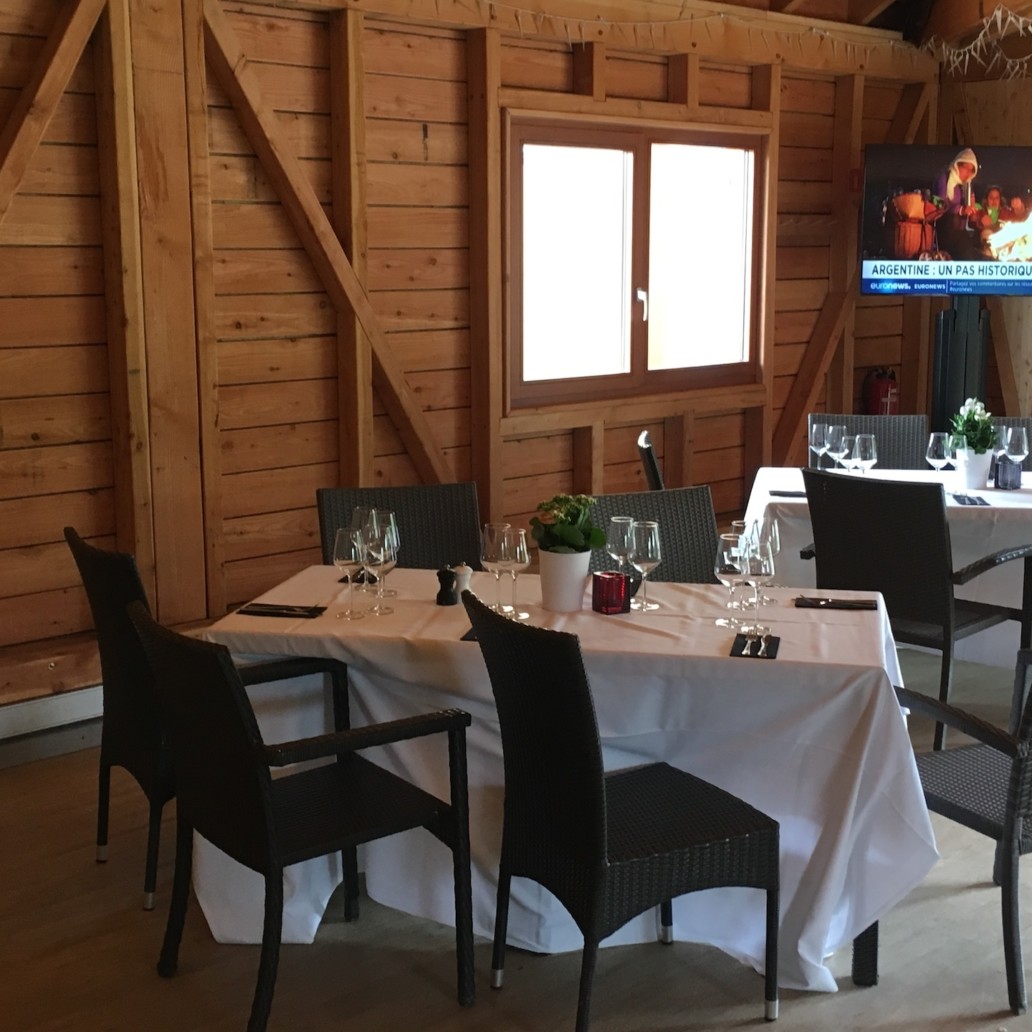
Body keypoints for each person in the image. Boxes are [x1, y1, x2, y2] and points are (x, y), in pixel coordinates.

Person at [932, 148, 982, 259]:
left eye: (971, 170)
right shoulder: (945, 178)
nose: (968, 173)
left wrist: (972, 212)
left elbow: (968, 216)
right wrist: (960, 210)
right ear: (957, 164)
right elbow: (940, 204)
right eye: (966, 168)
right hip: (944, 228)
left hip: (959, 232)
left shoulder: (966, 186)